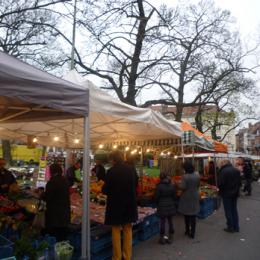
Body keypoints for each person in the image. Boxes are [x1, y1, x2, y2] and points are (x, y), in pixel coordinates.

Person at [102, 150, 138, 260]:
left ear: (113, 159)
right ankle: (127, 256)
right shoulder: (131, 169)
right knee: (128, 229)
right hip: (129, 203)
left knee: (116, 229)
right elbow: (136, 183)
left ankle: (116, 257)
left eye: (111, 159)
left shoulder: (111, 172)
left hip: (116, 204)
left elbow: (106, 190)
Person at [42, 163, 70, 241]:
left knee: (54, 236)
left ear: (52, 171)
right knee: (62, 235)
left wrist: (41, 194)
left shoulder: (52, 182)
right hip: (64, 212)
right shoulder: (65, 180)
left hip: (55, 214)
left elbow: (48, 197)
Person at [178, 161, 200, 239]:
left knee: (186, 214)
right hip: (194, 195)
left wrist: (178, 183)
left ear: (185, 168)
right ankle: (192, 233)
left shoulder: (185, 176)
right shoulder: (197, 175)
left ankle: (187, 230)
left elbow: (182, 187)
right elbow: (198, 185)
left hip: (187, 197)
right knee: (193, 215)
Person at [218, 160, 241, 233]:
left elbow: (220, 184)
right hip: (235, 193)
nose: (220, 164)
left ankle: (230, 227)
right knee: (234, 210)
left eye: (221, 163)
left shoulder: (223, 171)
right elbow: (239, 183)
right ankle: (236, 227)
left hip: (226, 194)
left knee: (228, 211)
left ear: (224, 163)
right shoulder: (236, 170)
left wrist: (220, 191)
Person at [155, 171, 176, 244]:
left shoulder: (159, 186)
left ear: (160, 178)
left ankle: (162, 238)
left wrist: (158, 203)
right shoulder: (172, 185)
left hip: (162, 206)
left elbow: (156, 197)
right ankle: (171, 237)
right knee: (170, 221)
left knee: (163, 222)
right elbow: (174, 196)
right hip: (170, 205)